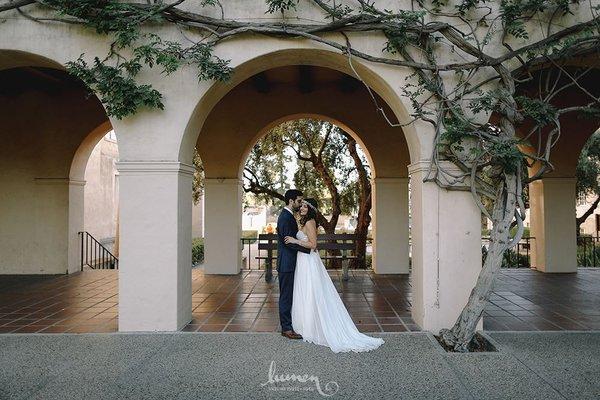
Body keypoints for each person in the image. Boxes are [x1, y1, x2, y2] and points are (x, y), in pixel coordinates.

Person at [284, 198, 384, 353]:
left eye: (305, 206)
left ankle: (312, 326)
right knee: (304, 290)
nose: (302, 208)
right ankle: (305, 325)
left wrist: (294, 241)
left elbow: (313, 245)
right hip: (302, 260)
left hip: (309, 261)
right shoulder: (304, 221)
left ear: (310, 209)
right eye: (301, 205)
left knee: (311, 291)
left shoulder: (310, 221)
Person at [276, 189, 311, 340]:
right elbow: (288, 242)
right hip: (286, 263)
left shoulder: (289, 216)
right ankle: (286, 329)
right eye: (298, 201)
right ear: (291, 201)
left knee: (289, 295)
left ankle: (290, 325)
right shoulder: (285, 217)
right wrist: (309, 249)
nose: (300, 204)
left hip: (290, 262)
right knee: (286, 296)